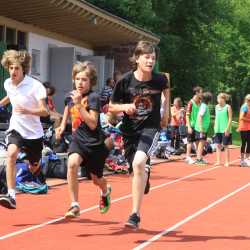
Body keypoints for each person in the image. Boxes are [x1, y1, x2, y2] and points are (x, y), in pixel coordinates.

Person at [109, 41, 169, 228]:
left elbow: (167, 88)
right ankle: (145, 174)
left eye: (153, 57)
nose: (150, 60)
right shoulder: (125, 81)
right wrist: (124, 107)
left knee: (138, 163)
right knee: (135, 171)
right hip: (129, 131)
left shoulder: (159, 80)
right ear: (137, 58)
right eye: (146, 57)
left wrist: (165, 113)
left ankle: (134, 215)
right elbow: (110, 106)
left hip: (150, 129)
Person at [56, 61, 111, 218]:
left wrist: (80, 105)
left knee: (96, 179)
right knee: (72, 164)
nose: (80, 82)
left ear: (91, 81)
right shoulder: (70, 95)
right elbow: (68, 107)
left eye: (84, 79)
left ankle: (105, 189)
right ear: (73, 79)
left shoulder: (94, 98)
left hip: (94, 143)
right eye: (78, 79)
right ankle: (74, 205)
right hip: (78, 140)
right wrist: (61, 125)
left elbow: (93, 124)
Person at [0, 50, 48, 209]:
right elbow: (10, 96)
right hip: (16, 128)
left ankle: (38, 171)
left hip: (34, 134)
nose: (13, 72)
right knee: (11, 154)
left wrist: (28, 111)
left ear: (24, 69)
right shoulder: (8, 83)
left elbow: (45, 111)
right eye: (11, 68)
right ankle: (11, 195)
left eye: (16, 68)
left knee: (33, 166)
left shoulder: (36, 86)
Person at [185, 86, 203, 164]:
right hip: (191, 125)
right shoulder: (190, 103)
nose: (202, 94)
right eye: (201, 92)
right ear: (197, 93)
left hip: (197, 126)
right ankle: (188, 157)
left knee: (198, 141)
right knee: (190, 141)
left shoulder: (200, 102)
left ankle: (198, 158)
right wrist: (189, 126)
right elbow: (187, 115)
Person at [214, 93, 232, 167]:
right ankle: (218, 161)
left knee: (225, 145)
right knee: (217, 145)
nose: (218, 100)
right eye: (217, 98)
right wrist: (215, 127)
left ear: (223, 99)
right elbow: (216, 117)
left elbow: (230, 118)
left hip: (225, 129)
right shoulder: (216, 107)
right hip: (217, 129)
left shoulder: (228, 107)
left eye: (219, 98)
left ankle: (227, 162)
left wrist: (227, 129)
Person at [194, 92, 212, 165]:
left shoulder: (203, 105)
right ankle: (198, 159)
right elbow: (200, 116)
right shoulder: (204, 106)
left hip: (201, 128)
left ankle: (199, 158)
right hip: (201, 128)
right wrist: (201, 127)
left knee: (200, 143)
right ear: (209, 100)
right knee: (201, 143)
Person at [238, 94, 250, 167]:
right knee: (244, 143)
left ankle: (247, 159)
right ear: (246, 100)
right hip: (244, 127)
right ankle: (242, 160)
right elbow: (241, 117)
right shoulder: (244, 106)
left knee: (249, 143)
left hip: (249, 127)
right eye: (248, 100)